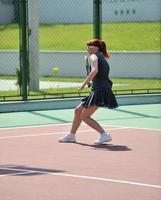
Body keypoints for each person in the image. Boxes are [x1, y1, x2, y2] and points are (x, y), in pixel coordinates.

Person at [58, 39, 118, 145]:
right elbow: (101, 76)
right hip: (101, 88)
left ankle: (104, 134)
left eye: (90, 47)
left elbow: (94, 71)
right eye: (87, 47)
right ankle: (71, 135)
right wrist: (91, 82)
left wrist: (83, 84)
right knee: (78, 110)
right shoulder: (102, 58)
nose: (88, 49)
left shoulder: (94, 56)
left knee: (84, 116)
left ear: (96, 48)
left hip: (100, 91)